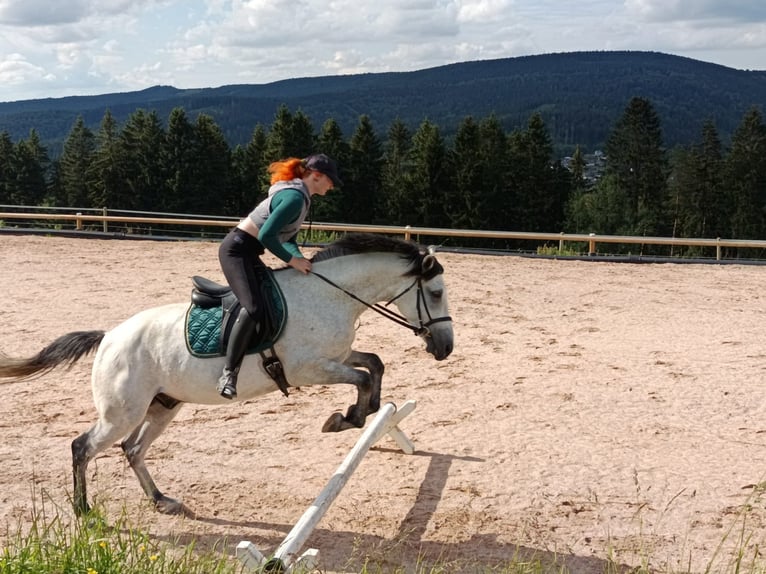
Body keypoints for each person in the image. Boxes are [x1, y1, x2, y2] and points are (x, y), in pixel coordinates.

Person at [216, 153, 342, 399]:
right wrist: (292, 260)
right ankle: (229, 373)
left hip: (249, 252)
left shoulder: (300, 197)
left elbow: (288, 239)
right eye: (330, 180)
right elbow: (267, 236)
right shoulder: (294, 198)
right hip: (236, 251)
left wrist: (301, 260)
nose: (333, 185)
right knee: (253, 308)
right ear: (316, 176)